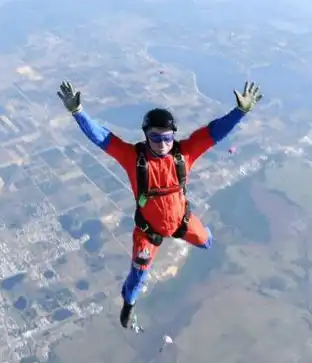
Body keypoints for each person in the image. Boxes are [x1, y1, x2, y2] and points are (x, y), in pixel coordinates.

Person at [56, 79, 263, 328]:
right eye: (155, 137)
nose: (162, 143)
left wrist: (239, 112)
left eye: (167, 137)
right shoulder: (133, 158)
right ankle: (128, 305)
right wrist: (78, 112)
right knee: (138, 275)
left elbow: (214, 133)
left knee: (206, 242)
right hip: (148, 231)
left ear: (173, 136)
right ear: (146, 136)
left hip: (182, 222)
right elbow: (103, 138)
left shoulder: (184, 154)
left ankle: (204, 236)